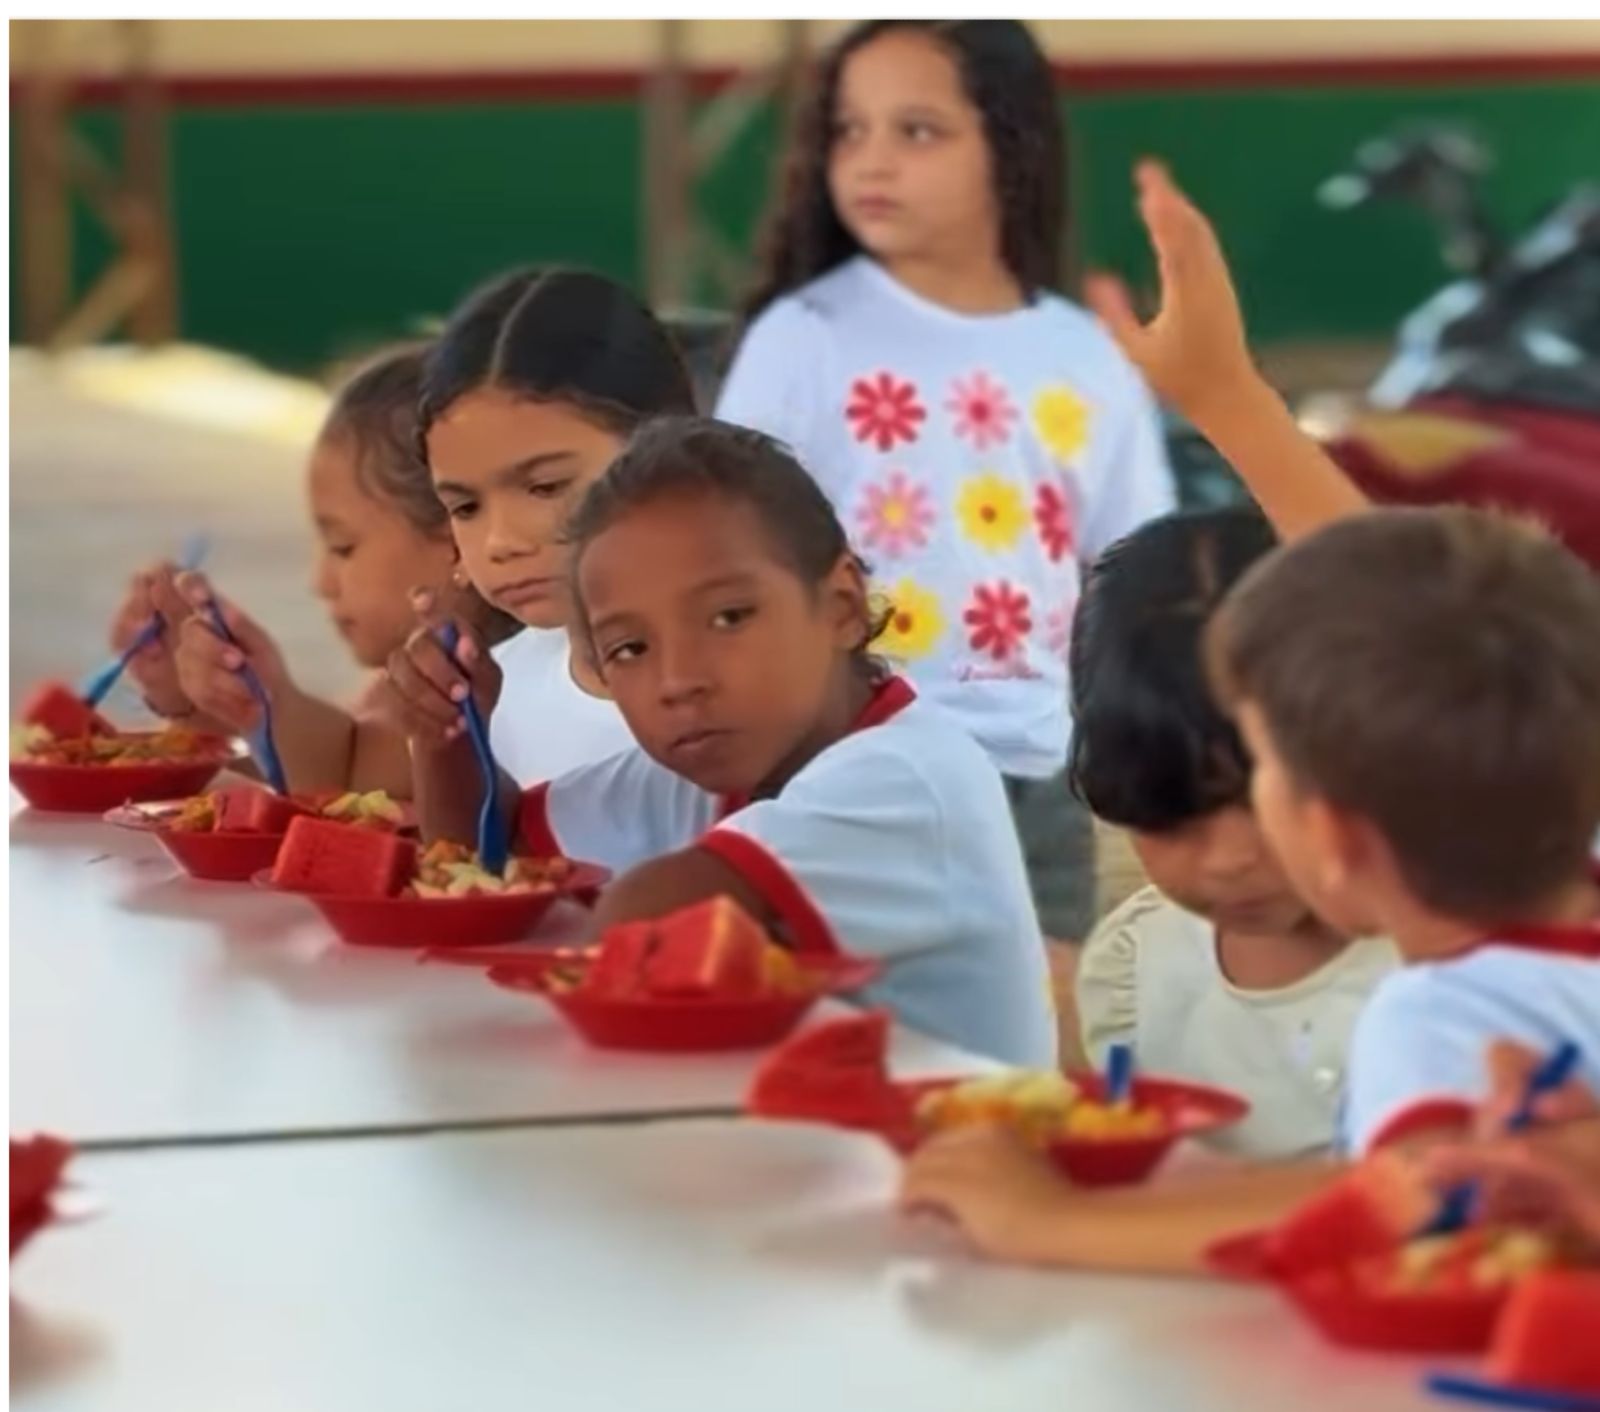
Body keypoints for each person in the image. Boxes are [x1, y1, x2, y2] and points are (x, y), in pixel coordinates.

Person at [897, 162, 1600, 1272]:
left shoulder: (1448, 1013)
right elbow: (1409, 621)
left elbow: (1406, 1204)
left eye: (1264, 768)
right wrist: (1227, 399)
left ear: (1335, 835)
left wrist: (1053, 1220)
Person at [386, 418, 1057, 1067]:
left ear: (843, 607)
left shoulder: (911, 776)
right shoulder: (710, 772)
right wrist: (447, 734)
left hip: (959, 1142)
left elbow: (646, 920)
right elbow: (488, 865)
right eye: (630, 649)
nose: (679, 680)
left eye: (729, 617)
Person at [716, 20, 1175, 943]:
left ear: (1012, 147)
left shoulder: (1082, 353)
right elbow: (722, 553)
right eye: (849, 130)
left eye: (917, 130)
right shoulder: (804, 338)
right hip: (850, 769)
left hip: (1036, 781)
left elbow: (1135, 567)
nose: (872, 161)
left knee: (1030, 1021)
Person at [1068, 507, 1396, 1157]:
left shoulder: (1449, 979)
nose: (1229, 860)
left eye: (1271, 803)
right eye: (1171, 810)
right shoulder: (1134, 965)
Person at [116, 345, 502, 796]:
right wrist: (204, 703)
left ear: (458, 541)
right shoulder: (391, 685)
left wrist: (270, 701)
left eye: (343, 548)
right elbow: (303, 768)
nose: (320, 583)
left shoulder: (491, 688)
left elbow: (351, 778)